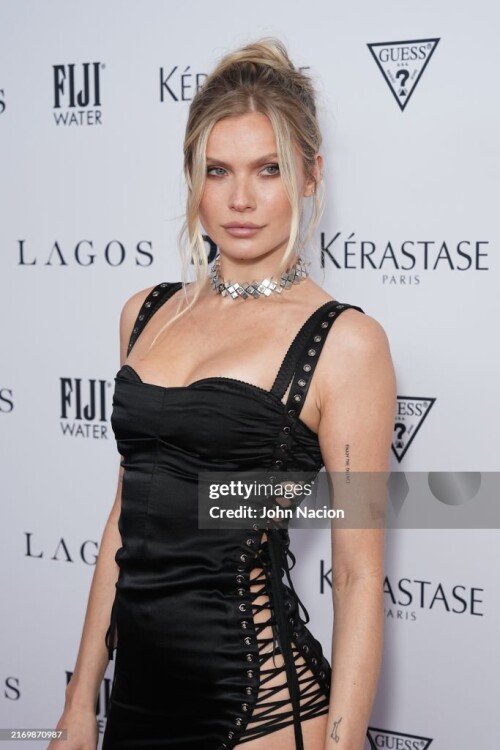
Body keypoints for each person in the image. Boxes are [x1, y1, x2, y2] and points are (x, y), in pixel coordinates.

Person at [48, 38, 396, 750]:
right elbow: (124, 520)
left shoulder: (346, 342)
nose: (240, 199)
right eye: (218, 171)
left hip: (263, 713)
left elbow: (359, 574)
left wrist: (340, 742)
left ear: (309, 176)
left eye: (269, 170)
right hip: (136, 706)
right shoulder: (144, 312)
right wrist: (81, 700)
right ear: (192, 179)